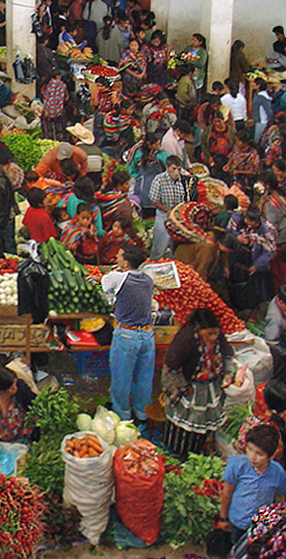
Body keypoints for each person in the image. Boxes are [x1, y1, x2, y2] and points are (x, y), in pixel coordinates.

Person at [162, 308, 235, 457]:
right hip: (189, 386)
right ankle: (178, 452)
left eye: (216, 333)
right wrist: (183, 386)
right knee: (183, 426)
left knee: (205, 422)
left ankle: (197, 450)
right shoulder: (186, 338)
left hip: (211, 386)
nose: (214, 337)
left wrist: (228, 373)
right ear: (199, 329)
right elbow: (172, 366)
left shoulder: (217, 337)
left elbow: (227, 354)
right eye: (209, 334)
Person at [100, 244, 154, 428]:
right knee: (144, 379)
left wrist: (114, 271)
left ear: (127, 261)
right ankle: (142, 416)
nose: (116, 258)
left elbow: (104, 285)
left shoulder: (119, 277)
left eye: (120, 256)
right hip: (147, 335)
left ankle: (123, 418)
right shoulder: (147, 279)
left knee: (121, 380)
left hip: (127, 336)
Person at [219, 425, 286, 545]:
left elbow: (279, 499)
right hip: (237, 521)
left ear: (271, 456)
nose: (252, 456)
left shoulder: (278, 473)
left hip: (261, 527)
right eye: (249, 449)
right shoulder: (238, 465)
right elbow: (227, 492)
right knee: (235, 547)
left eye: (259, 454)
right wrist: (223, 518)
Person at [227, 208, 277, 312]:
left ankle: (250, 310)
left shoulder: (268, 231)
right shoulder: (236, 219)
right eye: (247, 223)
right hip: (235, 260)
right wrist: (237, 239)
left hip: (253, 261)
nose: (249, 227)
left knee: (251, 291)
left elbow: (269, 252)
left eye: (252, 225)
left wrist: (257, 265)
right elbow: (228, 233)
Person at [149, 155, 196, 258]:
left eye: (179, 169)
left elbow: (186, 199)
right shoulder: (159, 180)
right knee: (159, 245)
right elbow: (154, 201)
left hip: (177, 218)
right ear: (167, 167)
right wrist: (169, 211)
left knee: (175, 245)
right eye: (173, 169)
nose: (176, 173)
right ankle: (155, 261)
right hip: (163, 216)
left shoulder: (184, 181)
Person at [130, 132, 170, 210]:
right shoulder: (138, 153)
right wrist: (135, 176)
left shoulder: (161, 154)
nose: (158, 147)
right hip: (142, 185)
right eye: (156, 145)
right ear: (149, 144)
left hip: (157, 183)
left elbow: (170, 164)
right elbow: (131, 166)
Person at [223, 130, 260, 196]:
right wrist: (228, 164)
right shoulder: (237, 147)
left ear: (245, 143)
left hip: (244, 180)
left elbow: (254, 172)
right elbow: (232, 155)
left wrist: (238, 172)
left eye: (238, 141)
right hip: (233, 175)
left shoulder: (253, 155)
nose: (236, 143)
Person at [201, 112, 236, 183]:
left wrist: (230, 161)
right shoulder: (208, 130)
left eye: (219, 121)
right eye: (215, 121)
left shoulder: (231, 131)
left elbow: (235, 146)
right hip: (213, 156)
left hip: (226, 158)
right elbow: (203, 144)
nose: (217, 124)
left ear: (224, 120)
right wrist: (209, 156)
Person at [40, 69, 68, 141]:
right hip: (59, 112)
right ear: (58, 76)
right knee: (59, 130)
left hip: (47, 112)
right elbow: (66, 98)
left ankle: (50, 142)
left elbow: (44, 96)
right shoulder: (62, 85)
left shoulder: (46, 84)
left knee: (48, 130)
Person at [252, 78, 273, 143]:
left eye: (254, 83)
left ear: (258, 85)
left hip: (262, 121)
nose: (253, 84)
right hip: (259, 120)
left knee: (258, 139)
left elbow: (268, 111)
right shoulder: (258, 95)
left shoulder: (262, 97)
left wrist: (269, 120)